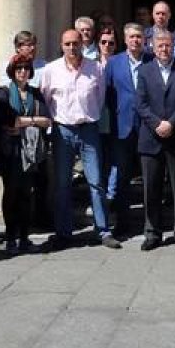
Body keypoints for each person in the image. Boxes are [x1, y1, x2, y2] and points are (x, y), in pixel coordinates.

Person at [43, 28, 118, 250]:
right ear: (61, 45)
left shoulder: (95, 68)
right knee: (63, 183)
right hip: (63, 130)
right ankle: (64, 232)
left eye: (76, 43)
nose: (72, 48)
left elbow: (100, 96)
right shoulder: (51, 70)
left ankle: (103, 231)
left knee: (96, 182)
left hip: (88, 129)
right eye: (67, 44)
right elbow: (47, 99)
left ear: (82, 44)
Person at [135, 29, 175, 251]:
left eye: (168, 45)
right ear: (152, 46)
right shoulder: (144, 71)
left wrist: (171, 123)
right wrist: (157, 124)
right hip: (151, 138)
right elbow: (140, 104)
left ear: (174, 46)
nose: (164, 49)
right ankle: (152, 232)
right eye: (160, 45)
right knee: (151, 188)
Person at [0, 55, 51, 255]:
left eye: (26, 68)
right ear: (12, 70)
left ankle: (25, 237)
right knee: (11, 193)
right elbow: (8, 119)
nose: (23, 71)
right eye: (18, 68)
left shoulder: (35, 93)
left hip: (31, 151)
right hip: (10, 151)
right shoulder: (3, 92)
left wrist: (25, 121)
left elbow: (47, 119)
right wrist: (33, 121)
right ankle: (11, 236)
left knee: (27, 194)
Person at [103, 23, 151, 236]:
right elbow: (106, 95)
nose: (135, 40)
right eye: (131, 37)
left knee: (150, 176)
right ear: (125, 39)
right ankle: (123, 222)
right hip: (122, 128)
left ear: (144, 39)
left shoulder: (152, 60)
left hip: (148, 127)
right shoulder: (113, 63)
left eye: (139, 37)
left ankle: (151, 223)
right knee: (122, 178)